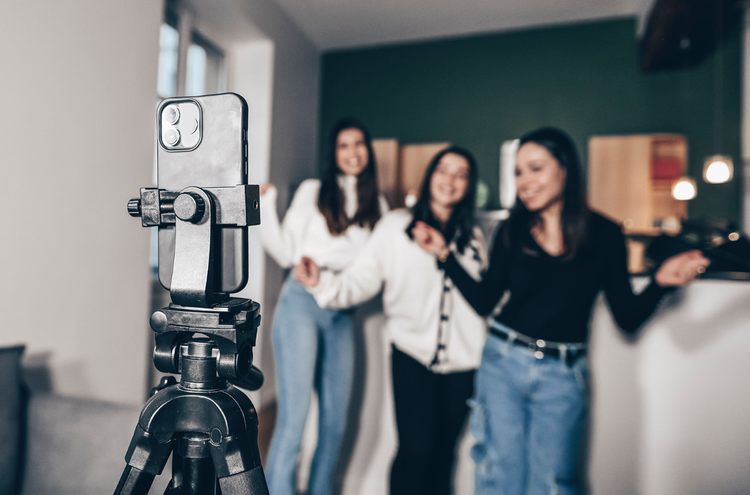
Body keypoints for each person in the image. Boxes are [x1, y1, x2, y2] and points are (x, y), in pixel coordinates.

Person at [411, 127, 710, 495]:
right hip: (502, 364)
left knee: (553, 484)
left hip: (563, 376)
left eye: (535, 168)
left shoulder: (605, 235)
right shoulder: (511, 231)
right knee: (498, 477)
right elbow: (485, 301)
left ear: (564, 169)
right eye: (519, 172)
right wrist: (444, 254)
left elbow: (627, 319)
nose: (525, 182)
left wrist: (660, 283)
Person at [295, 147, 487, 495]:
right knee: (415, 451)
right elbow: (360, 281)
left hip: (464, 366)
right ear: (430, 176)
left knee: (444, 456)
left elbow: (485, 298)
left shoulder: (474, 238)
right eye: (444, 170)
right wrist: (320, 282)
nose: (451, 180)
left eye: (461, 174)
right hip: (412, 357)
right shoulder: (395, 226)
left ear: (469, 185)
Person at [259, 117, 388, 495]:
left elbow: (373, 268)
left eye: (359, 144)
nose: (353, 152)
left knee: (335, 424)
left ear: (368, 150)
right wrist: (265, 205)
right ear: (334, 154)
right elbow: (284, 251)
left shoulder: (377, 203)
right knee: (294, 420)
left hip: (343, 311)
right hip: (301, 300)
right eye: (344, 145)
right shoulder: (313, 190)